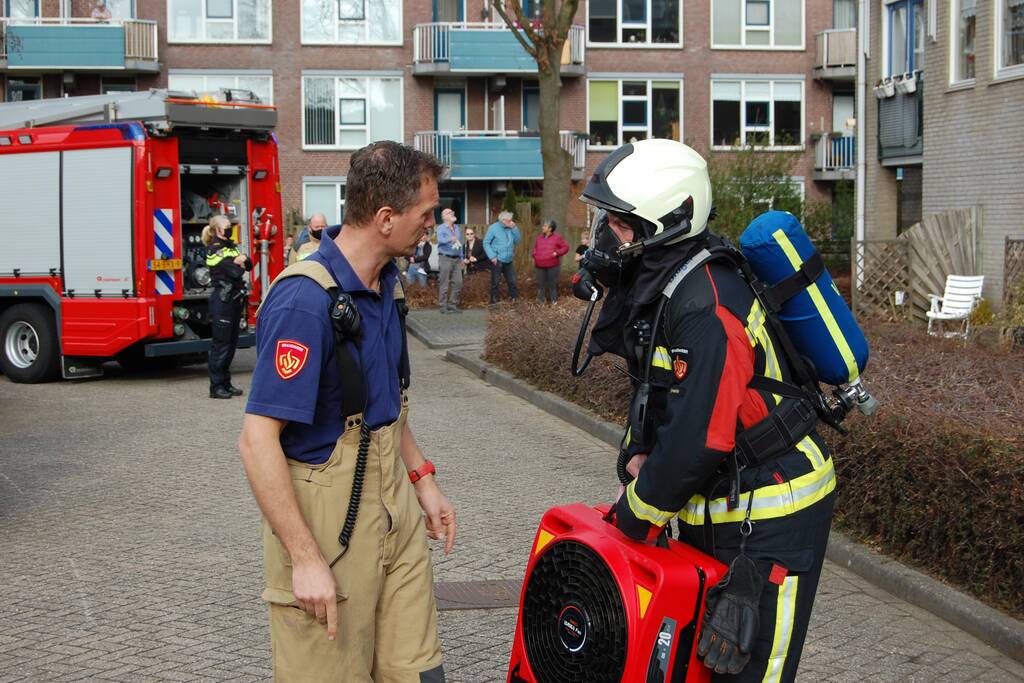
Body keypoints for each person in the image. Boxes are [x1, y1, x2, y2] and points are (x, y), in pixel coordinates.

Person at [578, 139, 834, 683]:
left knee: (750, 674)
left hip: (771, 517)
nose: (606, 236)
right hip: (714, 508)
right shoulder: (668, 286)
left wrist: (634, 516)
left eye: (620, 224)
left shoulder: (707, 303)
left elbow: (701, 436)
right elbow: (658, 392)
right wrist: (639, 453)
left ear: (664, 222)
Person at [238, 141, 455, 682]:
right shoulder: (303, 301)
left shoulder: (388, 288)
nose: (431, 224)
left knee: (419, 674)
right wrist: (304, 557)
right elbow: (257, 439)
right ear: (386, 219)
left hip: (394, 509)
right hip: (326, 521)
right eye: (425, 213)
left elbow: (388, 408)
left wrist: (423, 480)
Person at [202, 215, 252, 399]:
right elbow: (235, 271)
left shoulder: (231, 247)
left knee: (231, 344)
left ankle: (226, 382)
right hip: (222, 300)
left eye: (230, 226)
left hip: (234, 299)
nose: (229, 229)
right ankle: (216, 387)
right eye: (226, 227)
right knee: (221, 344)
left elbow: (249, 265)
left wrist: (242, 261)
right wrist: (240, 262)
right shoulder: (213, 250)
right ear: (216, 230)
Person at [483, 210, 521, 305]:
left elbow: (517, 240)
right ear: (503, 220)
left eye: (511, 220)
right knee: (495, 282)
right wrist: (492, 256)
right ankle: (494, 302)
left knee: (512, 281)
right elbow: (486, 243)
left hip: (509, 260)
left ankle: (514, 299)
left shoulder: (511, 227)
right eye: (509, 220)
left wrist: (515, 228)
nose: (511, 222)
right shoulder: (493, 228)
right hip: (497, 259)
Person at [531, 218, 569, 304]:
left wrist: (557, 253)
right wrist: (534, 255)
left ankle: (554, 302)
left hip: (553, 265)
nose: (542, 227)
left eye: (545, 226)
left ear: (550, 228)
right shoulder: (539, 238)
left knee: (552, 285)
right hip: (539, 265)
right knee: (541, 285)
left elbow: (566, 247)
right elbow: (535, 249)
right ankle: (541, 302)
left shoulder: (557, 238)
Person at [435, 208, 463, 314]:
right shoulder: (441, 228)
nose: (453, 213)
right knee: (444, 282)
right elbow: (440, 240)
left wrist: (461, 258)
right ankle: (443, 306)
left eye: (453, 212)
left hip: (456, 259)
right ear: (444, 216)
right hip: (445, 258)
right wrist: (451, 239)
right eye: (450, 212)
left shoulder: (457, 228)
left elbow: (460, 244)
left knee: (458, 282)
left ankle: (452, 304)